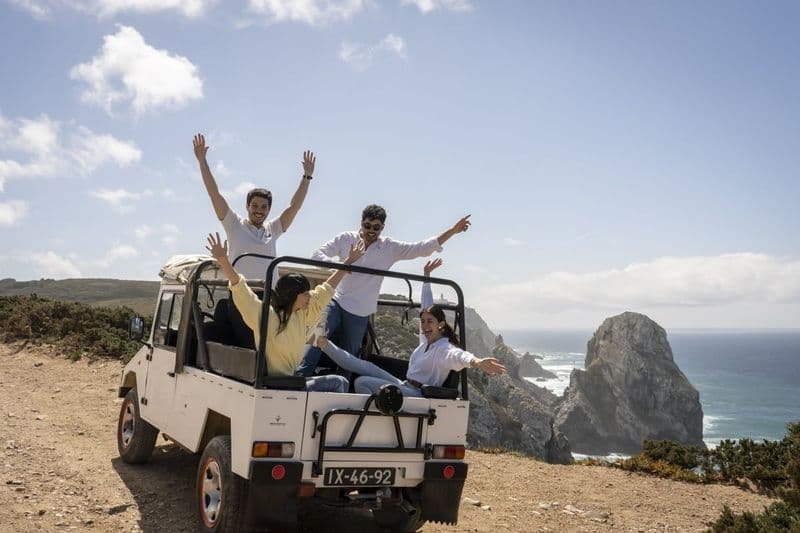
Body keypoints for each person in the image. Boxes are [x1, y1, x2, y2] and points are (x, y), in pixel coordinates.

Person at [297, 204, 472, 377]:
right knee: (317, 335)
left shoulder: (389, 247)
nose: (371, 231)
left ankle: (341, 386)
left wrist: (452, 231)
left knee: (350, 357)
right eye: (367, 226)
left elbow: (421, 248)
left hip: (360, 311)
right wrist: (344, 266)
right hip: (337, 300)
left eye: (376, 227)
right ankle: (299, 377)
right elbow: (317, 255)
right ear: (361, 223)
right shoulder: (346, 239)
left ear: (382, 228)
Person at [314, 259, 506, 397]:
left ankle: (374, 418)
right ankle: (323, 343)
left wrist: (477, 362)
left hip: (419, 395)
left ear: (440, 324)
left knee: (361, 382)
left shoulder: (444, 349)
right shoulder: (426, 341)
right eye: (423, 322)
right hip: (405, 385)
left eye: (430, 322)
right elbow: (426, 305)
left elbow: (460, 356)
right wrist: (426, 277)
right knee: (366, 366)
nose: (425, 326)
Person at [194, 133, 316, 347]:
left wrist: (306, 177)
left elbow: (294, 206)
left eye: (264, 207)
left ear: (268, 209)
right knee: (251, 345)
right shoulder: (234, 225)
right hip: (242, 296)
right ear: (247, 206)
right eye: (255, 206)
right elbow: (215, 194)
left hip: (270, 298)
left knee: (272, 345)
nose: (259, 211)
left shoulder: (273, 229)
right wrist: (202, 161)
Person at [205, 232, 365, 393]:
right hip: (277, 385)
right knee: (339, 383)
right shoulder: (266, 315)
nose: (309, 296)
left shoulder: (301, 314)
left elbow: (326, 289)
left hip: (292, 380)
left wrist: (348, 262)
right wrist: (224, 261)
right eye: (305, 293)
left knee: (340, 381)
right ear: (292, 295)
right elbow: (241, 289)